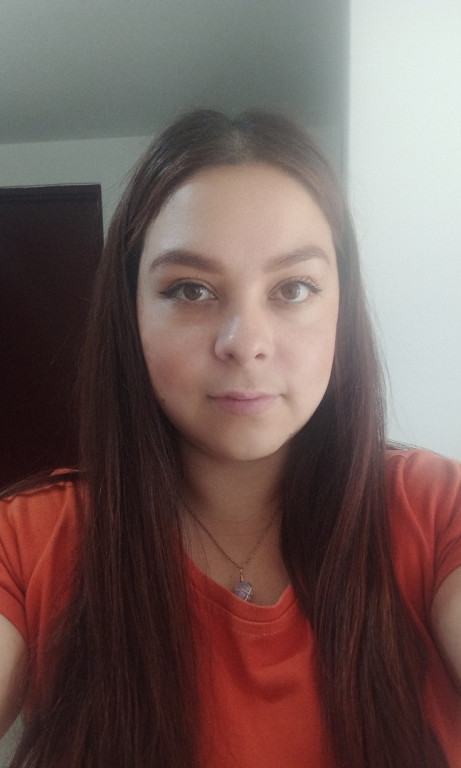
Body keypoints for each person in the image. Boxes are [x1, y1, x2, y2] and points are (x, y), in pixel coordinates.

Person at [0, 109, 460, 768]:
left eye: (293, 288)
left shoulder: (435, 512)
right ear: (132, 314)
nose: (245, 343)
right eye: (191, 290)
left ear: (341, 308)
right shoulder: (28, 543)